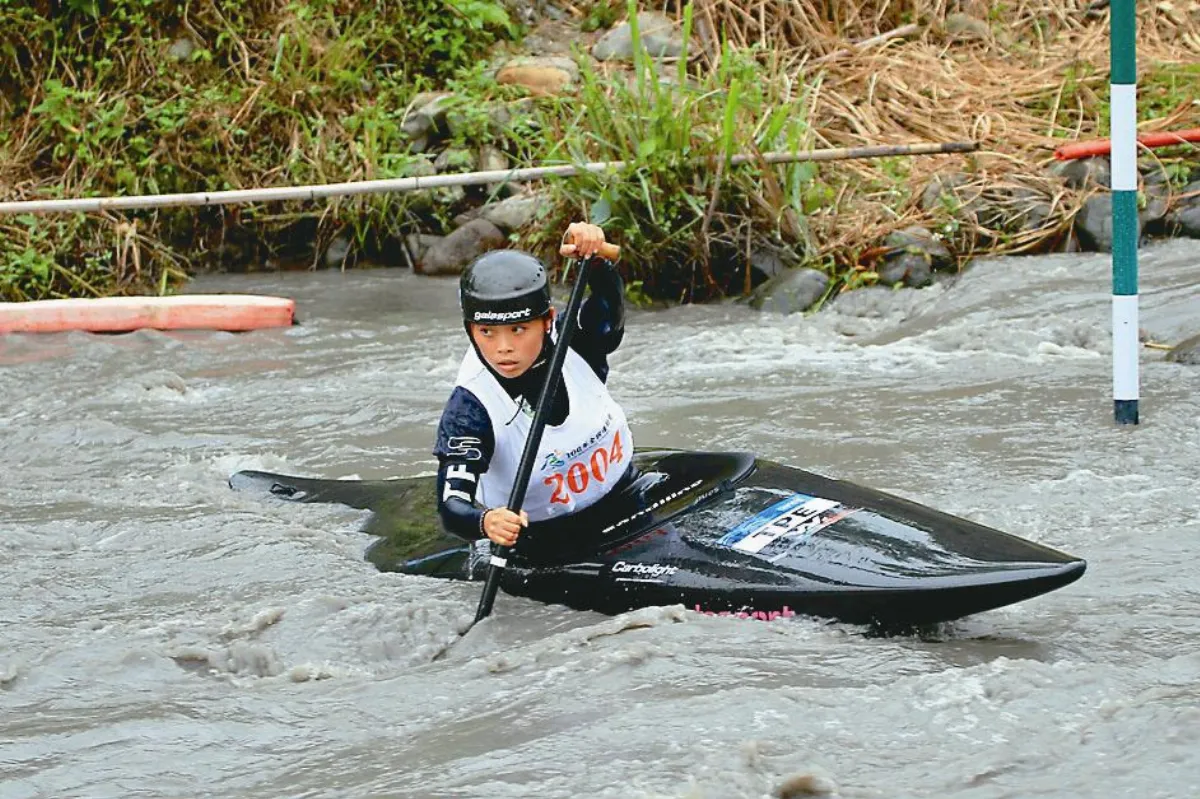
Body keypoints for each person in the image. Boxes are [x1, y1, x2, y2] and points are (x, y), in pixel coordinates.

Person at [433, 222, 634, 555]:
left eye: (518, 329)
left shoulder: (576, 338)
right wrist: (485, 522)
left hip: (626, 494)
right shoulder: (470, 407)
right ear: (470, 329)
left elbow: (609, 304)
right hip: (546, 540)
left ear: (547, 319)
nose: (503, 348)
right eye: (487, 332)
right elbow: (452, 505)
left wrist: (596, 261)